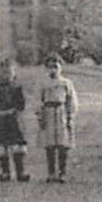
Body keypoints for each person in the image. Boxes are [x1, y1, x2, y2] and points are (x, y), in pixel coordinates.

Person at [37, 53, 80, 183]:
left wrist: (70, 115)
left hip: (61, 113)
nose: (53, 70)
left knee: (63, 144)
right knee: (49, 144)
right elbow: (38, 100)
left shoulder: (66, 83)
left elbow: (72, 100)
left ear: (61, 68)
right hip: (48, 113)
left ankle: (62, 172)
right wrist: (40, 116)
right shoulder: (43, 84)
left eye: (55, 67)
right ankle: (51, 173)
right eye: (50, 67)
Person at [0, 57, 29, 182]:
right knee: (1, 146)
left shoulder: (17, 89)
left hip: (14, 121)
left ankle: (20, 171)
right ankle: (5, 172)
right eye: (3, 73)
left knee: (17, 146)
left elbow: (21, 104)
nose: (6, 76)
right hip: (0, 122)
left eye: (9, 73)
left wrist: (12, 110)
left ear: (14, 74)